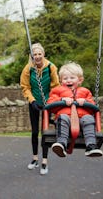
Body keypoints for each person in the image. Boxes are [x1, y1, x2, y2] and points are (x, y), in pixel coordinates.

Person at [48, 62, 103, 157]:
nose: (68, 81)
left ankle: (91, 146)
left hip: (82, 121)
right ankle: (61, 144)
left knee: (89, 119)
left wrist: (85, 102)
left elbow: (93, 108)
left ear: (80, 80)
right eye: (65, 78)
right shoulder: (57, 91)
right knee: (63, 117)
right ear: (61, 81)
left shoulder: (85, 92)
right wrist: (61, 100)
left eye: (72, 78)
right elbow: (50, 105)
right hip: (65, 120)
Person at [20, 43, 60, 175]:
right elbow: (25, 87)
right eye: (34, 54)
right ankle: (35, 158)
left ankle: (44, 161)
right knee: (34, 132)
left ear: (43, 54)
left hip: (48, 103)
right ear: (32, 56)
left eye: (39, 54)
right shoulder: (28, 68)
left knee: (45, 133)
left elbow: (56, 86)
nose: (37, 56)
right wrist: (32, 101)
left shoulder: (51, 67)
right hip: (34, 103)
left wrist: (50, 102)